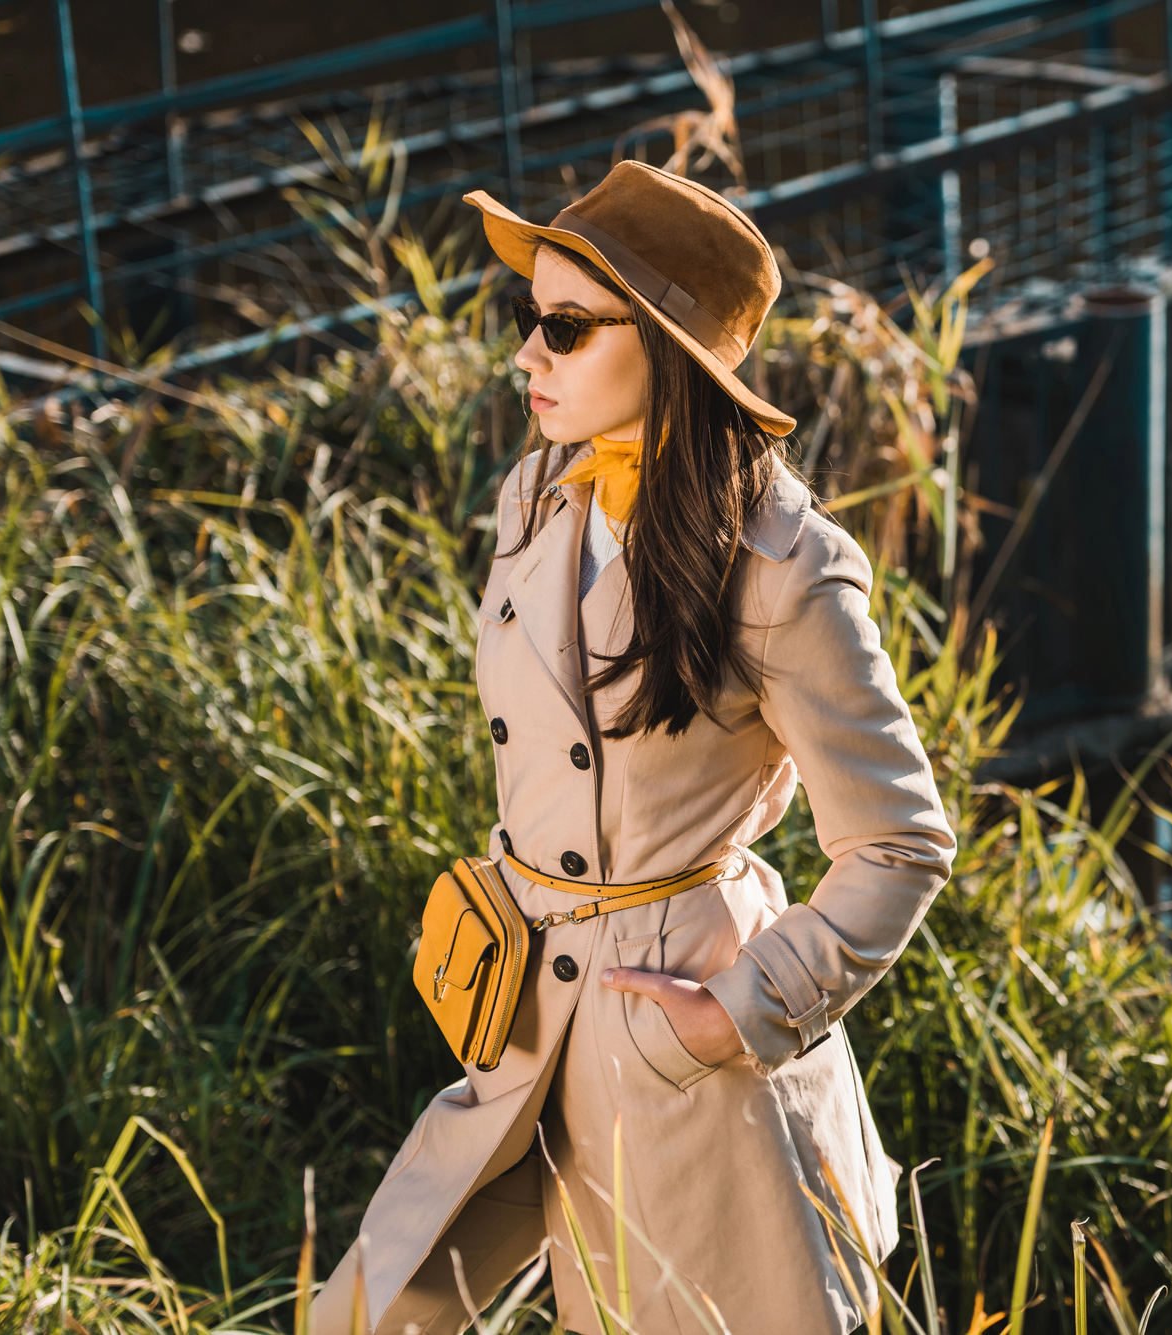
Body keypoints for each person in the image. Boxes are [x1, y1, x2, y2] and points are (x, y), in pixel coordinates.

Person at [309, 160, 956, 1335]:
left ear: (662, 346)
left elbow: (899, 843)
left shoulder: (786, 571)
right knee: (364, 1314)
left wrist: (738, 1011)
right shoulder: (536, 495)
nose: (526, 357)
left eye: (563, 328)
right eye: (526, 320)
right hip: (522, 1005)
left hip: (676, 1032)